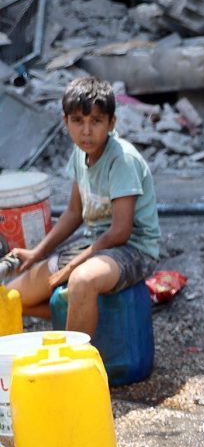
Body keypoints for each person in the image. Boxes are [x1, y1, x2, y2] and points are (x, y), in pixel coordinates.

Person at [7, 76, 160, 335]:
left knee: (81, 280)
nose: (86, 131)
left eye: (96, 121)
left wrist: (70, 268)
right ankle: (80, 323)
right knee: (14, 296)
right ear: (66, 122)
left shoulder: (121, 159)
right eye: (78, 121)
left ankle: (74, 363)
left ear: (112, 123)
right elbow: (74, 212)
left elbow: (120, 232)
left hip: (133, 248)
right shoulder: (80, 154)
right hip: (91, 244)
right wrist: (37, 252)